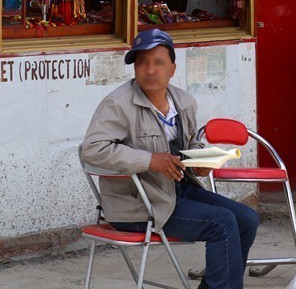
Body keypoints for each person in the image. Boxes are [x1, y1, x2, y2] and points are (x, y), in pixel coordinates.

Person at [80, 28, 258, 289]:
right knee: (221, 223)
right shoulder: (118, 104)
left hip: (178, 191)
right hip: (139, 204)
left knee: (246, 219)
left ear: (172, 69)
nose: (150, 70)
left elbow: (190, 145)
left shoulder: (183, 101)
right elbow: (92, 150)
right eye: (142, 62)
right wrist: (150, 160)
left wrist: (200, 162)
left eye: (158, 62)